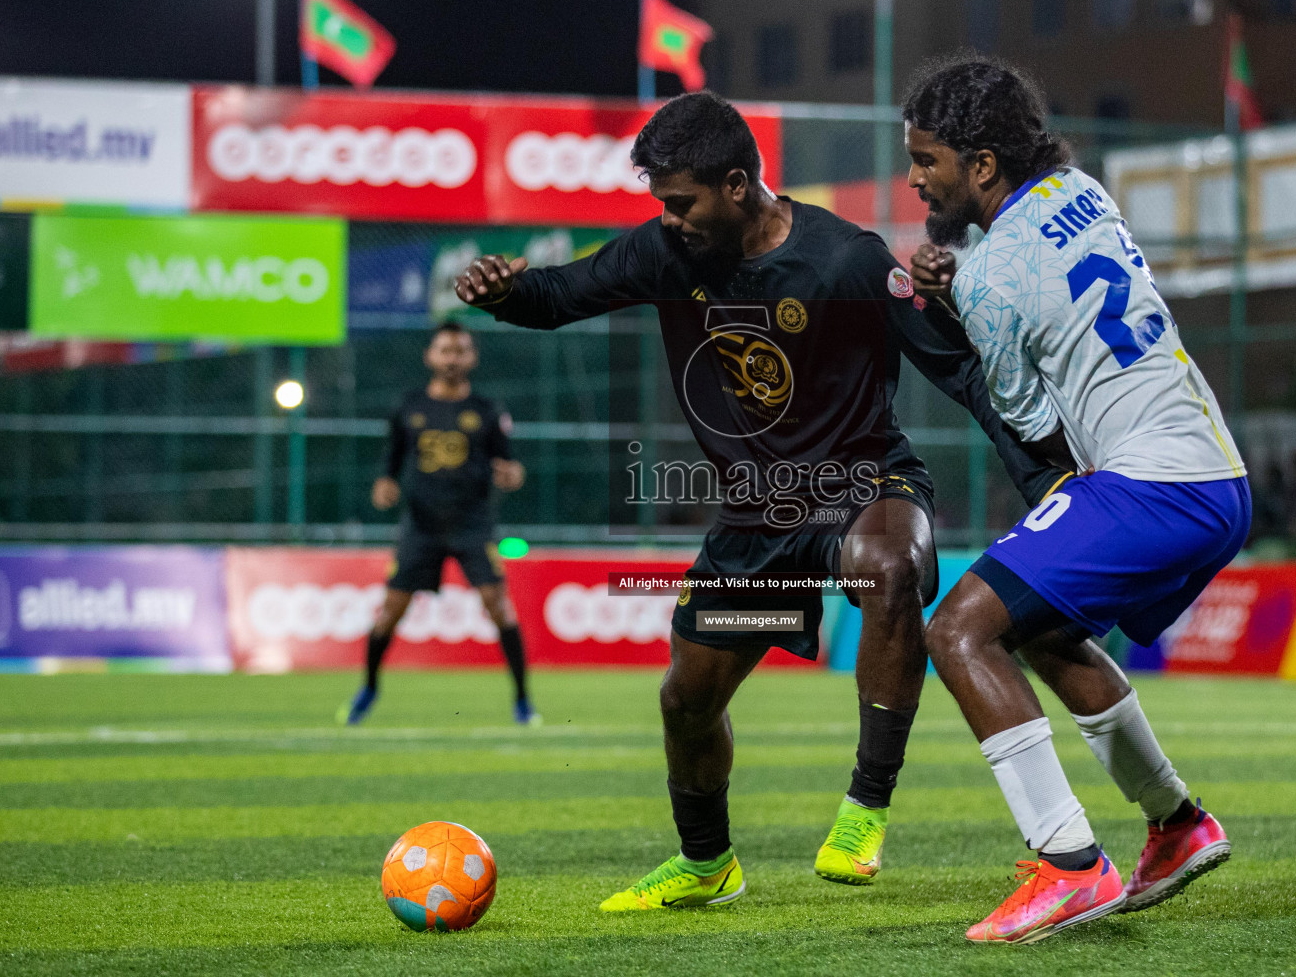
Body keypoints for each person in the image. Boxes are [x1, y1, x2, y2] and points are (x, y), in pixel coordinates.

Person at [453, 91, 1073, 910]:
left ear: (738, 184)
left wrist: (1046, 482)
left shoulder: (847, 260)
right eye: (661, 204)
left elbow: (958, 370)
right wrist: (502, 292)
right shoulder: (665, 253)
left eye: (682, 202)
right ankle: (709, 865)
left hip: (864, 484)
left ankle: (864, 809)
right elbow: (559, 295)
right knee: (686, 701)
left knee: (888, 568)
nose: (669, 219)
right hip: (758, 518)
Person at [901, 56, 1249, 944]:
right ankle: (1176, 825)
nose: (915, 177)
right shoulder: (1081, 189)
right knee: (1044, 627)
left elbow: (1029, 423)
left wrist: (957, 309)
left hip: (1153, 484)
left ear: (982, 165)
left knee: (957, 629)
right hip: (1216, 473)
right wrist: (971, 296)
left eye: (928, 160)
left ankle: (1068, 865)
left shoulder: (985, 276)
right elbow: (1044, 290)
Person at [342, 321, 537, 726]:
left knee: (499, 606)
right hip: (420, 526)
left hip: (472, 525)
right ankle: (369, 688)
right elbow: (391, 461)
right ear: (430, 356)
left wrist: (512, 475)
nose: (452, 358)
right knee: (389, 612)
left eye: (460, 351)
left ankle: (522, 700)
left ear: (472, 358)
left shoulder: (487, 410)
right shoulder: (409, 406)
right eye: (445, 350)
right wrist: (384, 484)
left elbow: (510, 464)